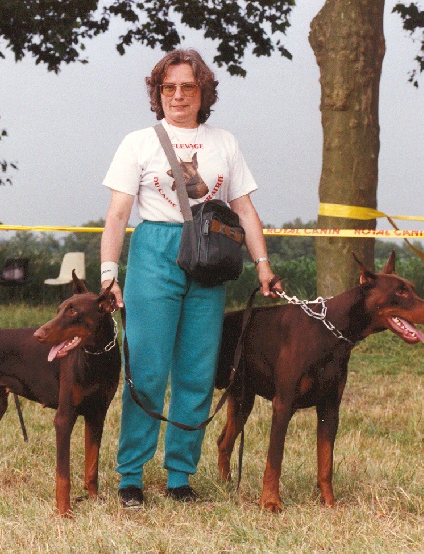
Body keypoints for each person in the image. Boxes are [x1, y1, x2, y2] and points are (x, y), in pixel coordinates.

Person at [99, 49, 282, 508]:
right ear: (158, 94)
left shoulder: (224, 141)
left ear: (204, 93)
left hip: (210, 253)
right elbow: (118, 214)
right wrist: (108, 274)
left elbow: (244, 208)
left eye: (188, 87)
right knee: (146, 368)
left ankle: (180, 475)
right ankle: (131, 477)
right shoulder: (138, 142)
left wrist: (263, 264)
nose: (178, 96)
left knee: (198, 373)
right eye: (168, 88)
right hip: (155, 251)